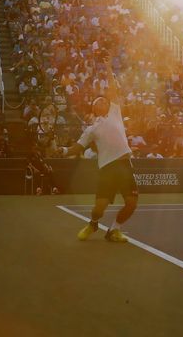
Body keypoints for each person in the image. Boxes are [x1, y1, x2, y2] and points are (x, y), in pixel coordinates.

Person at [58, 62, 137, 242]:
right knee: (98, 209)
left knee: (131, 204)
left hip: (125, 165)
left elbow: (112, 88)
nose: (104, 100)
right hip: (107, 169)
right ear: (94, 108)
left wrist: (109, 66)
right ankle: (93, 224)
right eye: (99, 101)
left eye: (104, 100)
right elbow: (77, 148)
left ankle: (114, 230)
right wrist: (62, 150)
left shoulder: (115, 112)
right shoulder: (91, 129)